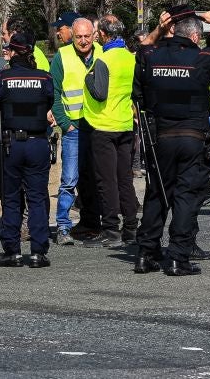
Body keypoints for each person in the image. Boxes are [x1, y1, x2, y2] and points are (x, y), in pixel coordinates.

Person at [134, 7, 210, 276]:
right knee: (186, 197)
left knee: (157, 194)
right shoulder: (202, 57)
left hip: (159, 137)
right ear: (195, 37)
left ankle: (146, 254)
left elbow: (143, 46)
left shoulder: (153, 55)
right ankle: (177, 257)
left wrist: (160, 28)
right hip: (192, 138)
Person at [0, 30, 55, 268]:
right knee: (37, 198)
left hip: (11, 144)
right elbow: (49, 101)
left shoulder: (0, 79)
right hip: (37, 143)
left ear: (14, 52)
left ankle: (12, 250)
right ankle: (38, 251)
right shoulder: (45, 78)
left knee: (12, 198)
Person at [49, 16, 104, 246]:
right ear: (73, 35)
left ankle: (94, 223)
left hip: (99, 126)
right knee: (70, 179)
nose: (83, 41)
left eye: (87, 36)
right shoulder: (62, 56)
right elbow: (53, 92)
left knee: (96, 178)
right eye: (79, 36)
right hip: (73, 128)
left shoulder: (102, 53)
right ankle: (63, 225)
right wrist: (64, 122)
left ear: (94, 35)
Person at [87, 15, 138, 246]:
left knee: (106, 181)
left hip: (104, 125)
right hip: (126, 124)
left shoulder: (103, 60)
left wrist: (88, 79)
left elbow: (99, 93)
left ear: (105, 35)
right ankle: (131, 228)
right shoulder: (130, 58)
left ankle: (110, 230)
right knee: (124, 179)